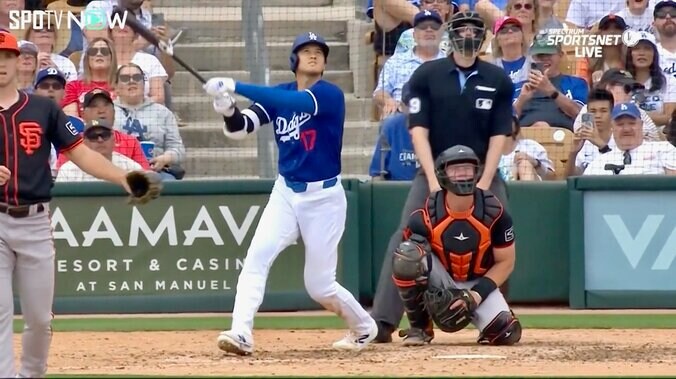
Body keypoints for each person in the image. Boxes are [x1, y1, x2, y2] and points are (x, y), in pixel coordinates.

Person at [202, 32, 378, 355]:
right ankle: (241, 332)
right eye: (306, 51)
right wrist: (226, 108)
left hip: (323, 198)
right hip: (285, 191)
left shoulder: (330, 95)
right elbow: (241, 128)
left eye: (319, 52)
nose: (313, 56)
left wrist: (235, 86)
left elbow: (293, 104)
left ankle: (365, 328)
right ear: (294, 60)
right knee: (256, 257)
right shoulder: (280, 93)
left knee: (319, 285)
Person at [0, 30, 139, 379]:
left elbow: (80, 154)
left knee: (39, 318)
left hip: (34, 221)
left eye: (6, 56)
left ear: (19, 62)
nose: (1, 64)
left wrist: (123, 178)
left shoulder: (43, 108)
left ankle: (31, 374)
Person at [370, 11, 514, 343]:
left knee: (500, 240)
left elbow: (499, 135)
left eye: (473, 29)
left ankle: (494, 322)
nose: (467, 34)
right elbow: (418, 130)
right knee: (404, 241)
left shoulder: (498, 78)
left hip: (482, 172)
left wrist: (485, 181)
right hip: (433, 172)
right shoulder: (427, 74)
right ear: (451, 35)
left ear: (482, 37)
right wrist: (434, 183)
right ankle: (384, 322)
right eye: (461, 29)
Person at [391, 145, 521, 346]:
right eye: (455, 169)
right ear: (443, 174)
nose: (463, 174)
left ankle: (485, 321)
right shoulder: (423, 216)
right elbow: (406, 261)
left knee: (506, 332)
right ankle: (420, 328)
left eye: (467, 168)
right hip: (442, 280)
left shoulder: (496, 213)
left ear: (476, 172)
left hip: (478, 282)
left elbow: (506, 262)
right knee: (407, 256)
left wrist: (476, 295)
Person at [583, 102, 676, 175]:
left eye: (632, 123)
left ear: (641, 125)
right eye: (620, 124)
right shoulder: (599, 162)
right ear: (612, 127)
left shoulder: (664, 149)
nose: (626, 129)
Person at [56, 119, 143, 182]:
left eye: (104, 135)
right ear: (85, 142)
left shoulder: (131, 168)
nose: (100, 140)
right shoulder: (68, 170)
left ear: (113, 138)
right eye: (93, 136)